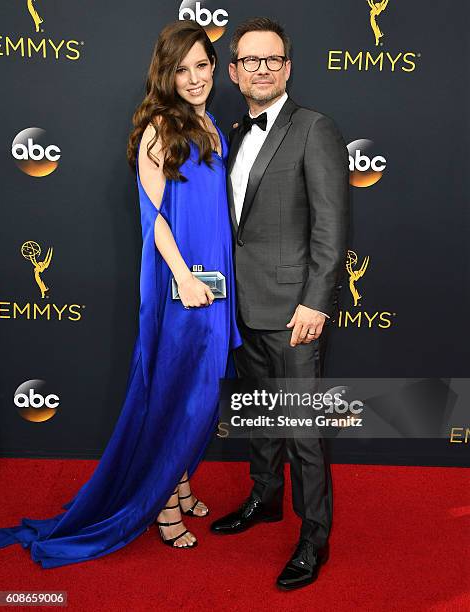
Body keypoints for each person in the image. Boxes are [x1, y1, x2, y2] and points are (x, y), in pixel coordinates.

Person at [0, 20, 241, 567]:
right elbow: (154, 216)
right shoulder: (160, 128)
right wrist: (181, 275)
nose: (196, 77)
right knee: (181, 395)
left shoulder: (209, 124)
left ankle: (174, 485)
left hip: (214, 281)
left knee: (194, 397)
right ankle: (161, 507)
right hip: (182, 283)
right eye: (183, 69)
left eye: (202, 65)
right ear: (166, 74)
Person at [210, 17, 349, 591]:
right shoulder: (233, 131)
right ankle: (264, 501)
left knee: (302, 431)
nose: (261, 69)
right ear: (236, 71)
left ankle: (314, 539)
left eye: (272, 60)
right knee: (261, 419)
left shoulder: (314, 128)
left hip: (295, 312)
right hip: (242, 308)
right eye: (250, 60)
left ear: (287, 68)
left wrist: (316, 302)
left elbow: (331, 225)